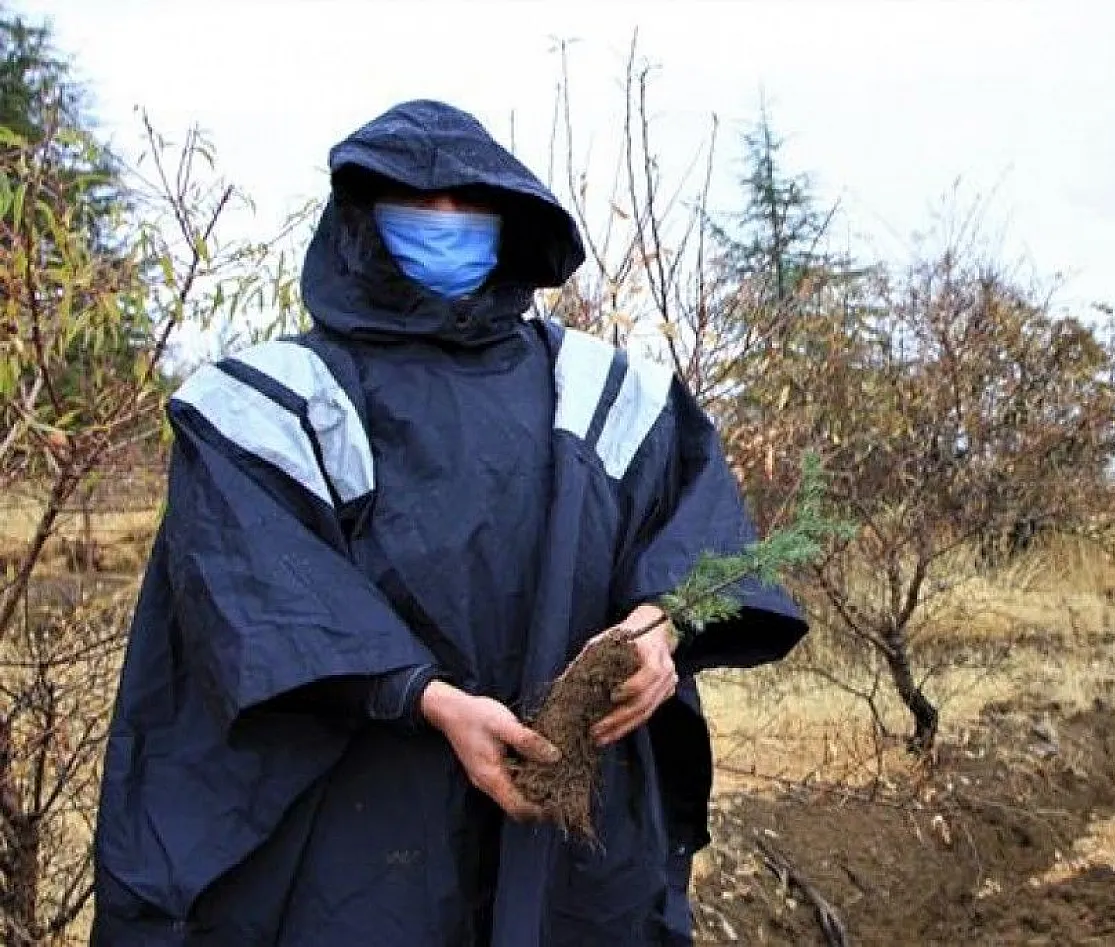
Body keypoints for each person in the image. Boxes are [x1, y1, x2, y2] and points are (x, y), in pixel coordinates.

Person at [91, 99, 808, 945]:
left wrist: (663, 628)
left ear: (509, 220)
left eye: (465, 205)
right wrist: (425, 697)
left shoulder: (604, 391)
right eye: (413, 206)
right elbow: (260, 585)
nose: (442, 222)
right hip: (360, 846)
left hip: (571, 842)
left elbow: (693, 525)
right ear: (360, 223)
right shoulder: (275, 402)